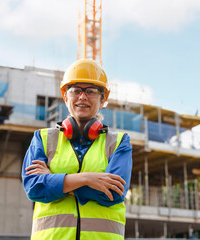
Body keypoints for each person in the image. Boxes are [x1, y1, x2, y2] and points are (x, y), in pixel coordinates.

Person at [22, 59, 132, 240]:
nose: (82, 97)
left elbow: (113, 192)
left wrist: (54, 181)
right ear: (66, 97)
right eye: (76, 90)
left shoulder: (118, 142)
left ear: (103, 99)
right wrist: (88, 178)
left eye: (91, 91)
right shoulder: (42, 139)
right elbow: (34, 187)